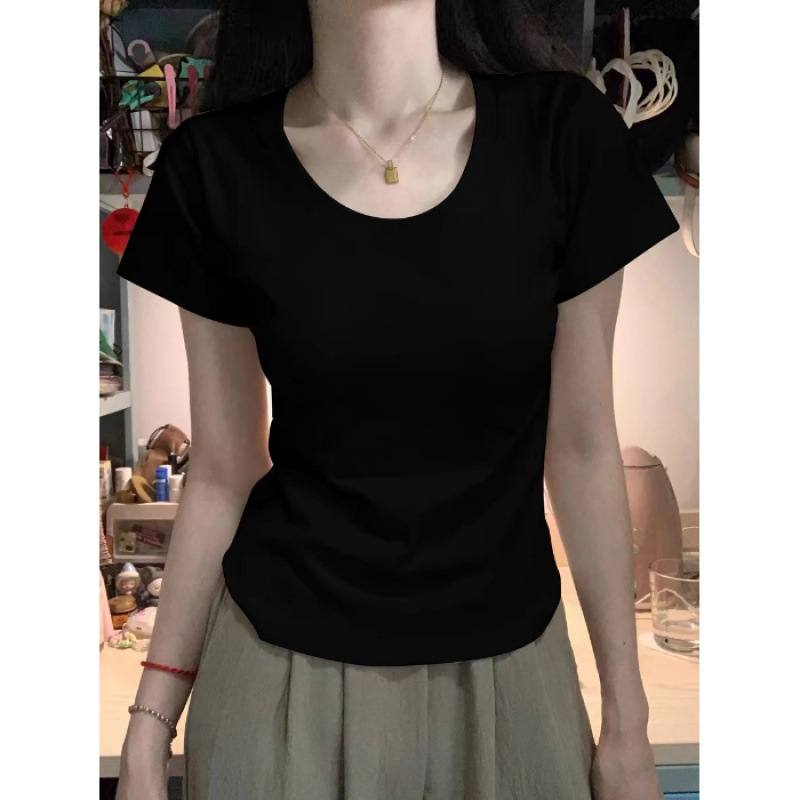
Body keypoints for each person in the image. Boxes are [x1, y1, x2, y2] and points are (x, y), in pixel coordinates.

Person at [114, 1, 680, 799]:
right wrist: (150, 725)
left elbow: (582, 446)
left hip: (512, 685)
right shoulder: (214, 166)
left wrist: (627, 719)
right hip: (276, 690)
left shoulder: (563, 134)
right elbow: (222, 471)